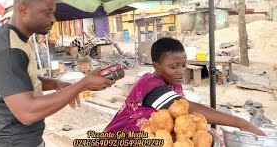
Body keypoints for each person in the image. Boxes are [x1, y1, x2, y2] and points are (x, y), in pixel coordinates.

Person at [0, 0, 115, 147]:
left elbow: (24, 80)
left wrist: (55, 83)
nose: (53, 19)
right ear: (23, 9)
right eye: (47, 12)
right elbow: (27, 111)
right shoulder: (7, 49)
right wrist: (83, 84)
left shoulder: (19, 39)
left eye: (53, 12)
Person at [104, 37, 265, 136]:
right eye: (174, 67)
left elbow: (182, 116)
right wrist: (241, 123)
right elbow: (187, 108)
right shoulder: (152, 86)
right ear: (157, 67)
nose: (181, 71)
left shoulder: (171, 84)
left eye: (183, 64)